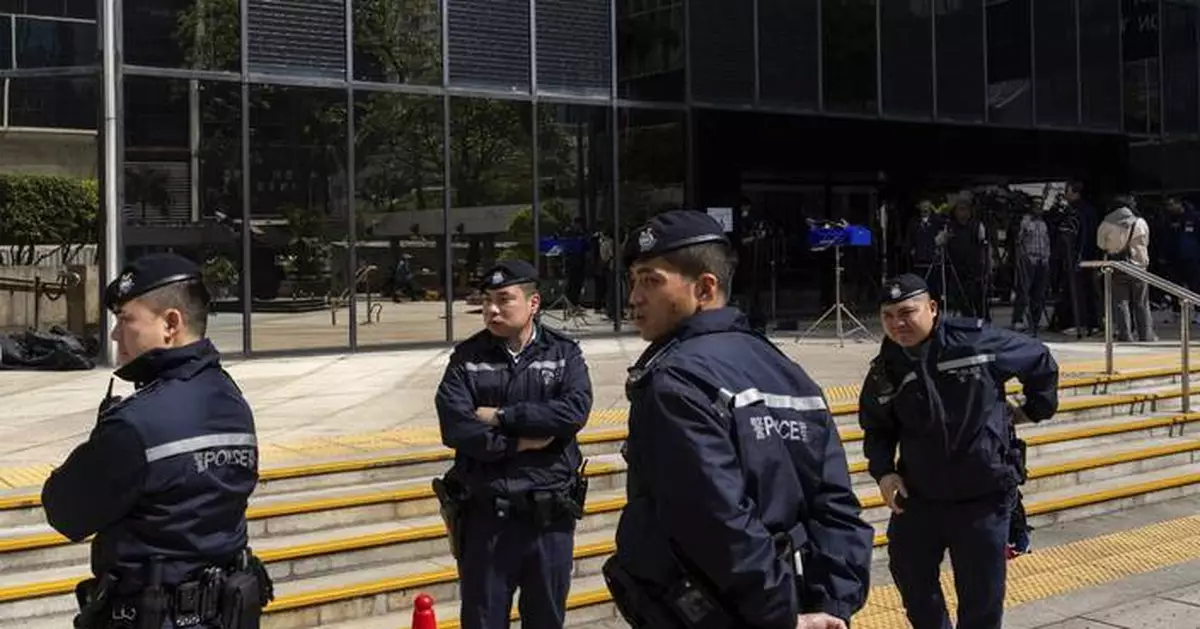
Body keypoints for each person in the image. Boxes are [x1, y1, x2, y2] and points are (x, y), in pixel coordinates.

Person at [603, 210, 874, 629]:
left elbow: (715, 517)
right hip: (805, 608)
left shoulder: (675, 379)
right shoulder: (789, 371)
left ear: (705, 287)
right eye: (634, 280)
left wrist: (778, 615)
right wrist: (833, 605)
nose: (635, 296)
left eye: (651, 280)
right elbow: (837, 504)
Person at [41, 253, 272, 629]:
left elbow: (65, 511)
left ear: (171, 324)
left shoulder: (137, 424)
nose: (115, 334)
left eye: (126, 319)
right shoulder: (233, 402)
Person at [858, 273, 1060, 629]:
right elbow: (877, 426)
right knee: (910, 577)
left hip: (982, 495)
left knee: (981, 596)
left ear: (933, 308)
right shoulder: (887, 366)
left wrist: (1032, 410)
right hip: (919, 495)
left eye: (907, 312)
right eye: (888, 316)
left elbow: (1039, 359)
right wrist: (883, 471)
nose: (897, 324)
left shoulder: (974, 342)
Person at [434, 259, 594, 629]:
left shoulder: (563, 354)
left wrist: (500, 416)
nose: (491, 309)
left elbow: (572, 414)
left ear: (533, 303)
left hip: (549, 519)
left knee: (546, 619)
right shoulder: (467, 358)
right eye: (487, 300)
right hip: (488, 519)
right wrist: (518, 442)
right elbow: (455, 426)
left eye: (504, 300)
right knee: (483, 619)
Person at [1097, 195, 1156, 342]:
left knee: (1120, 302)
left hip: (1118, 266)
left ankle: (1125, 335)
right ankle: (1146, 335)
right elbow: (1146, 241)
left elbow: (1100, 244)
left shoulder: (1107, 222)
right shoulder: (1140, 222)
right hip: (1139, 267)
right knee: (1141, 302)